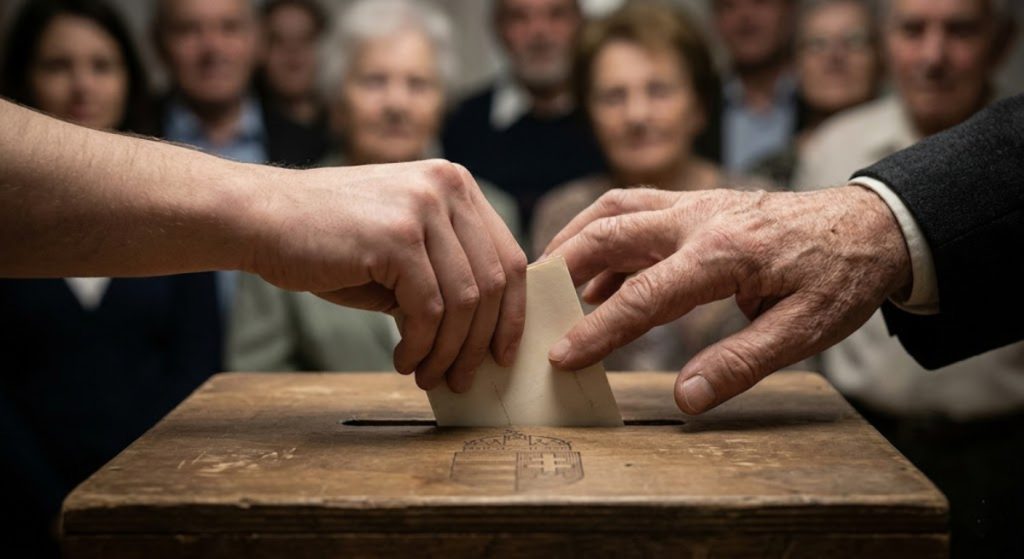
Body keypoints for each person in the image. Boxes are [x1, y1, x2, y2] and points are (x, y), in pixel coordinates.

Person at [791, 0, 1018, 553]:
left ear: (1001, 40)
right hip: (862, 440)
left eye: (960, 31)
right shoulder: (832, 150)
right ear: (885, 38)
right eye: (912, 30)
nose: (933, 56)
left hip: (1004, 456)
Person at [0, 2, 219, 556]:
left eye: (102, 65)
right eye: (57, 66)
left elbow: (197, 371)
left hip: (160, 509)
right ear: (22, 80)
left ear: (130, 79)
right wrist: (53, 508)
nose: (82, 86)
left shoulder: (178, 210)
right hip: (24, 510)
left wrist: (146, 495)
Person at [229, 0, 520, 379]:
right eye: (374, 81)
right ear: (338, 100)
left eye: (418, 84)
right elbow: (253, 374)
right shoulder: (284, 207)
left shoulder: (492, 208)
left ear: (442, 103)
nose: (396, 103)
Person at [529, 1, 755, 371]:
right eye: (613, 96)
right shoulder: (561, 213)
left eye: (659, 90)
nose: (636, 115)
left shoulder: (755, 205)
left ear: (698, 105)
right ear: (589, 113)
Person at [154, 0, 329, 314]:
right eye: (189, 30)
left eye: (229, 28)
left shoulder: (313, 147)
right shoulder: (128, 138)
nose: (212, 47)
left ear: (258, 40)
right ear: (159, 43)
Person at [441, 0, 605, 231]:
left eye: (556, 15)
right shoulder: (460, 122)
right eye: (519, 17)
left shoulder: (608, 117)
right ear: (498, 29)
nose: (539, 32)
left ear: (581, 23)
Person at [751, 0, 883, 185]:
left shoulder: (909, 153)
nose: (835, 56)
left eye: (854, 41)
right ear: (793, 65)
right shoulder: (764, 177)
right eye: (817, 44)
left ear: (881, 57)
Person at [712, 0, 801, 172]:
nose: (745, 16)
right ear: (715, 22)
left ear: (790, 11)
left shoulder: (820, 98)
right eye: (728, 5)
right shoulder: (697, 102)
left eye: (760, 2)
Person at [257, 0, 329, 129]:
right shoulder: (246, 128)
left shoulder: (344, 129)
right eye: (278, 40)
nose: (292, 50)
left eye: (305, 38)